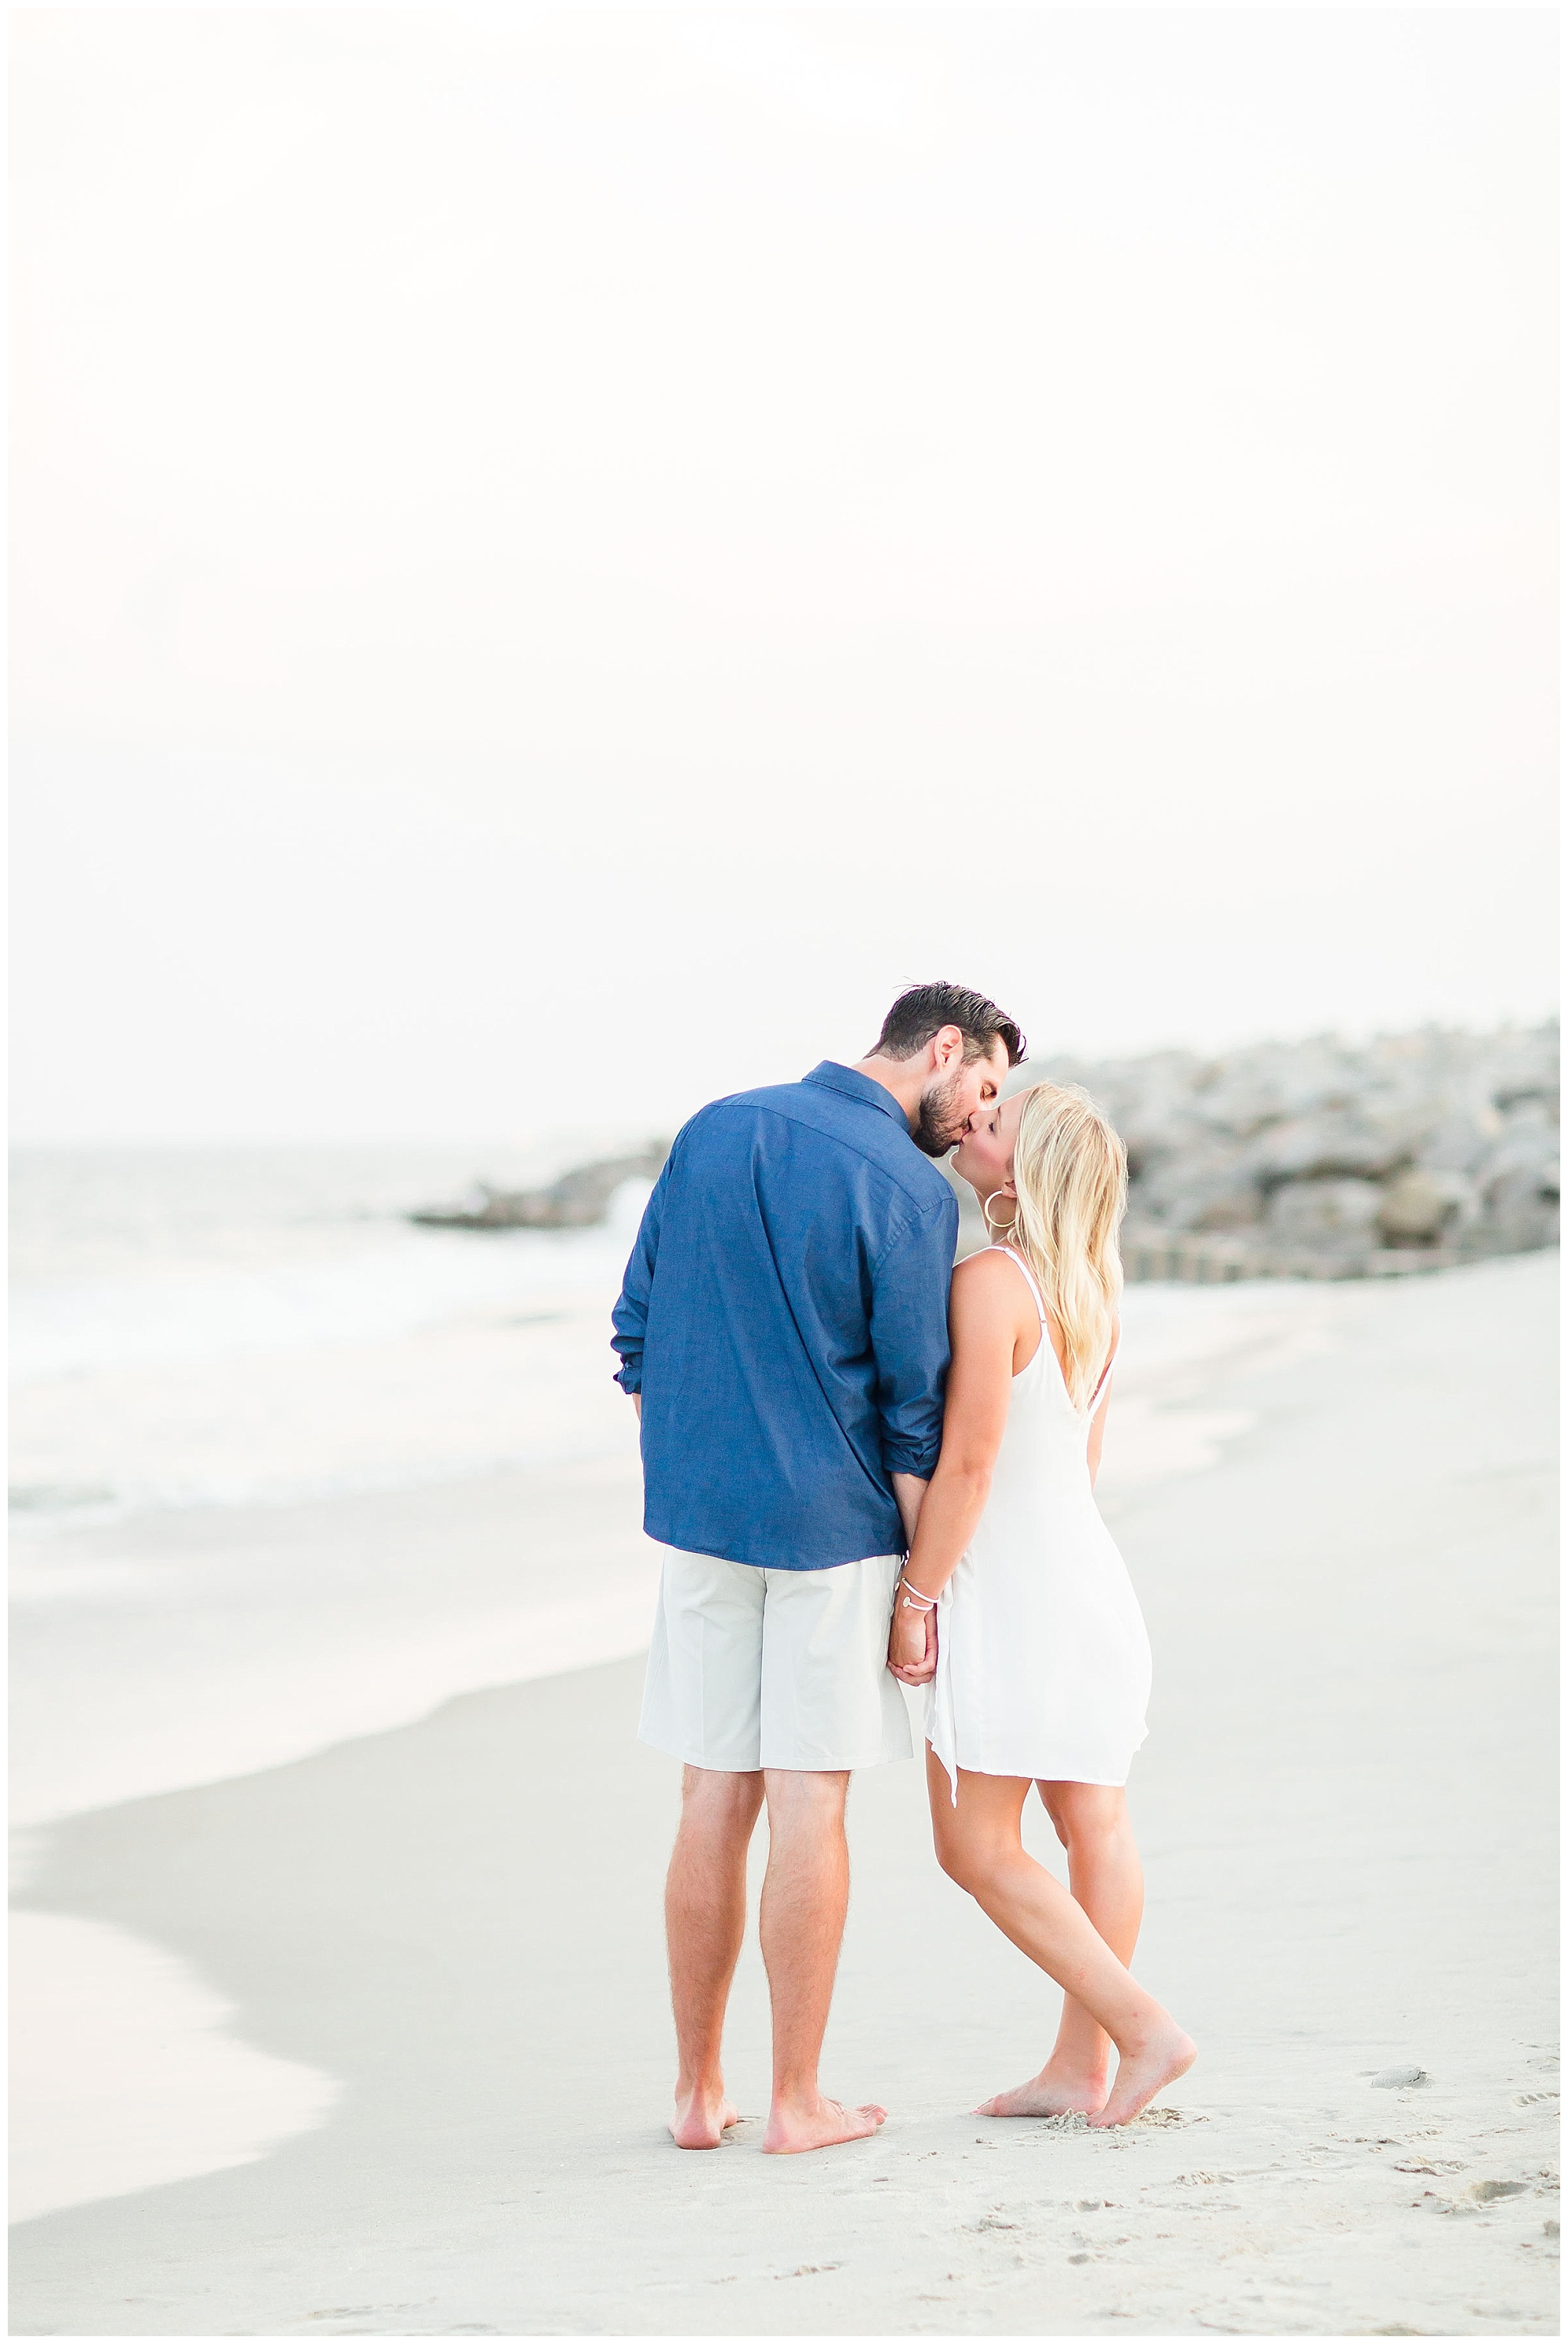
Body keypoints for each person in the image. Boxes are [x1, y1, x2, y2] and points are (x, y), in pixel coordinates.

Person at [612, 982, 1025, 2154]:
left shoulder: (712, 1126)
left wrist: (701, 1453)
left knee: (710, 1793)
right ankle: (795, 2101)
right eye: (983, 1085)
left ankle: (699, 2095)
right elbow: (913, 1409)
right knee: (809, 1800)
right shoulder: (904, 1185)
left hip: (703, 1515)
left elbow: (635, 1329)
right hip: (834, 1531)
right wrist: (918, 1589)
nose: (976, 1114)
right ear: (941, 1047)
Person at [887, 1080, 1196, 2128]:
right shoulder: (1095, 1291)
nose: (976, 1119)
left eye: (999, 1119)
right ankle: (1081, 2068)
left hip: (1010, 1591)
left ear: (1031, 1170)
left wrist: (918, 1592)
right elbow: (1082, 1460)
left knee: (975, 1845)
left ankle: (1140, 2027)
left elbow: (970, 1465)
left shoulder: (989, 1281)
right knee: (1091, 1821)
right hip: (1086, 1581)